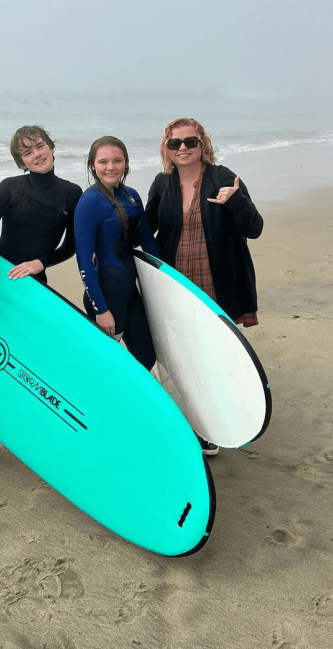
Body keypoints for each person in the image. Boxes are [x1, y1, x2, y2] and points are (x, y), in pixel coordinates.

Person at [0, 125, 82, 473]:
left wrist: (40, 262)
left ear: (52, 148)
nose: (36, 154)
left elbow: (71, 246)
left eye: (40, 146)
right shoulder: (10, 188)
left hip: (32, 285)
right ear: (21, 161)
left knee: (29, 362)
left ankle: (27, 426)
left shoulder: (72, 194)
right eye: (27, 152)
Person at [145, 117, 264, 456]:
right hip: (174, 281)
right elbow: (146, 229)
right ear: (167, 150)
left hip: (215, 280)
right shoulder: (162, 183)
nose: (182, 148)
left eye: (190, 142)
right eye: (175, 143)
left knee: (212, 353)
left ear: (203, 145)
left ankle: (214, 425)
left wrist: (235, 200)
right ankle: (198, 421)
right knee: (184, 354)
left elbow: (254, 228)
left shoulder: (223, 177)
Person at [74, 136, 159, 371]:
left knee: (146, 357)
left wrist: (168, 279)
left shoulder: (132, 196)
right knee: (104, 364)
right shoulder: (89, 201)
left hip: (129, 290)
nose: (110, 167)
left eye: (117, 161)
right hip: (107, 292)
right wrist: (101, 310)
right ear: (92, 165)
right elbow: (83, 260)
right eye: (103, 162)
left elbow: (149, 243)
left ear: (126, 163)